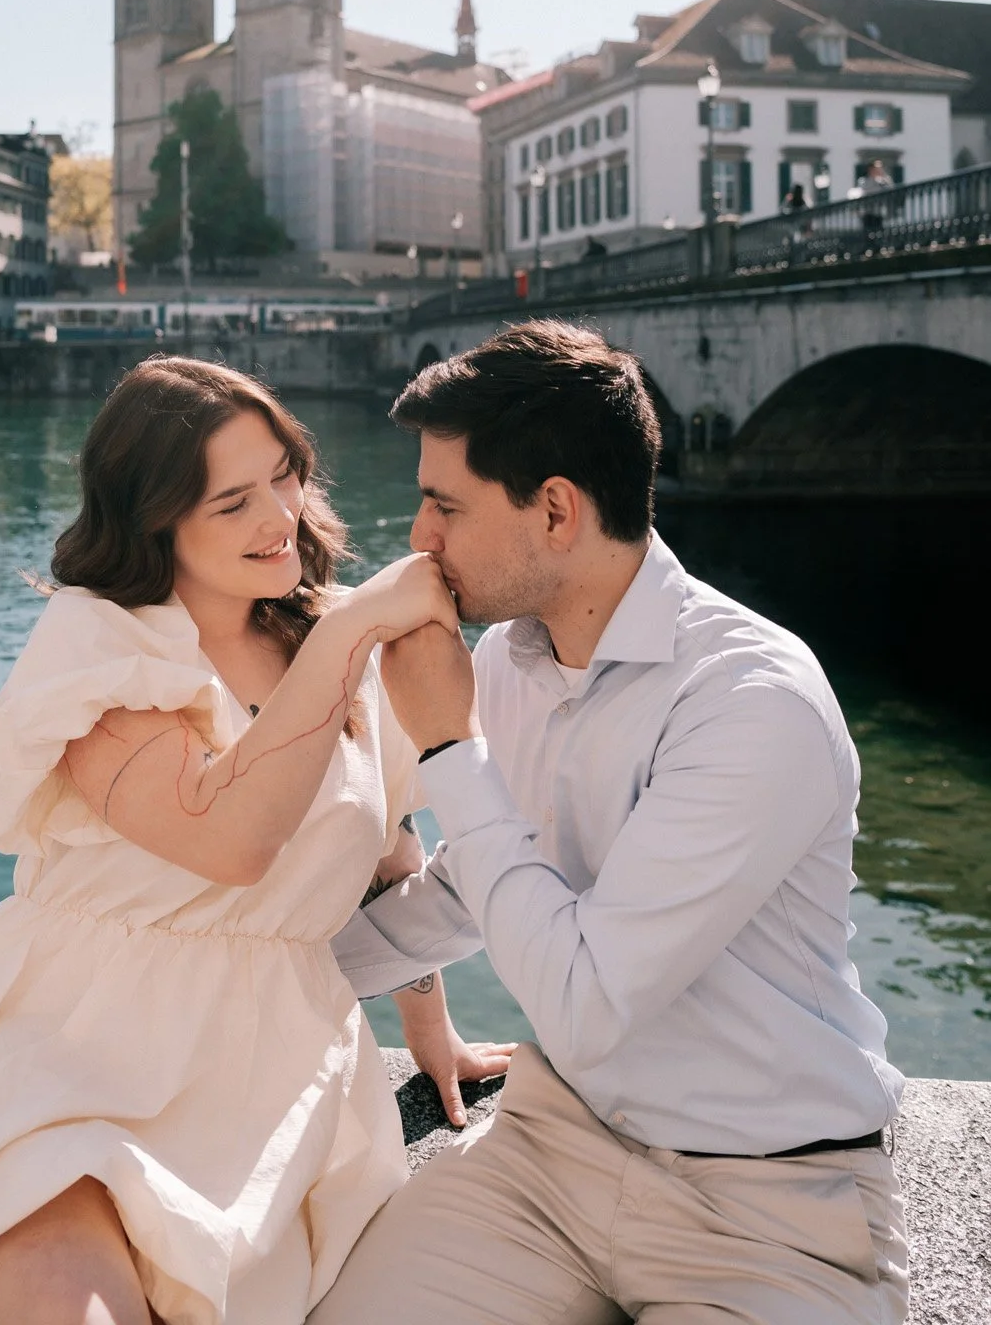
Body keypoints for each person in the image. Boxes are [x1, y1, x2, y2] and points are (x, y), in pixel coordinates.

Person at [0, 356, 512, 1325]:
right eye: (233, 501)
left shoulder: (339, 637)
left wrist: (434, 1038)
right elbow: (230, 838)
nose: (279, 517)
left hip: (271, 1079)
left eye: (286, 474)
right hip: (67, 1052)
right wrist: (351, 637)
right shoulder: (101, 646)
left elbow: (388, 855)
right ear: (154, 518)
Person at [319, 321, 907, 1324]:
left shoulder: (752, 698)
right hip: (550, 1152)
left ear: (555, 510)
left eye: (445, 504)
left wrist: (449, 748)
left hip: (768, 1205)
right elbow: (479, 885)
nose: (420, 535)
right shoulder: (511, 656)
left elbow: (587, 997)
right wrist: (258, 970)